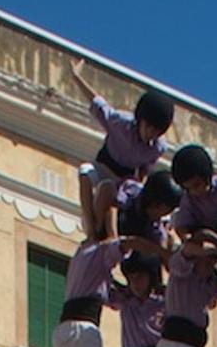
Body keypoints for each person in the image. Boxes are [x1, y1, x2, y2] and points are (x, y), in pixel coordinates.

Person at [68, 59, 174, 240]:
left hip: (125, 181)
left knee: (111, 191)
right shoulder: (120, 124)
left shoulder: (157, 147)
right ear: (141, 119)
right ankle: (92, 227)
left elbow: (144, 171)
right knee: (85, 172)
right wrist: (76, 77)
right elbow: (99, 104)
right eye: (149, 127)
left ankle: (108, 230)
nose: (151, 134)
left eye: (157, 131)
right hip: (104, 167)